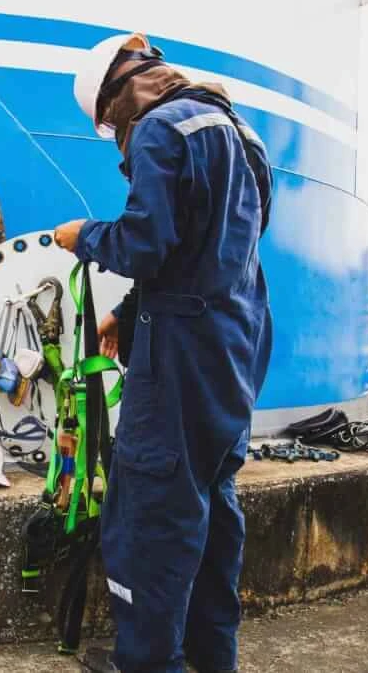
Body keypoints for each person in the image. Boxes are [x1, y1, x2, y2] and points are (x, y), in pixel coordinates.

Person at [53, 33, 274, 673]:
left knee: (151, 511)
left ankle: (148, 663)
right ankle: (212, 656)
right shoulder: (239, 130)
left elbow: (146, 244)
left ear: (113, 101)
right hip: (237, 342)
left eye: (107, 124)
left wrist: (83, 237)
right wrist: (126, 315)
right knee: (212, 500)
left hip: (181, 354)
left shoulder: (158, 129)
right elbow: (212, 247)